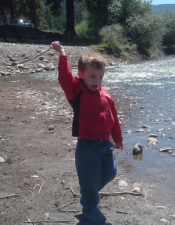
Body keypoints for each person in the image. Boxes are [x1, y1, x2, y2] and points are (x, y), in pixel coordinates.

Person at [50, 41, 123, 225]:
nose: (96, 81)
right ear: (81, 74)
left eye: (100, 77)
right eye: (92, 76)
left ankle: (88, 191)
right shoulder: (77, 90)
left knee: (111, 172)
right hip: (87, 147)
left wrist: (119, 138)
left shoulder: (106, 96)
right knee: (90, 181)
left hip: (105, 144)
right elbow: (64, 78)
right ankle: (90, 209)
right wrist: (62, 54)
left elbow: (113, 119)